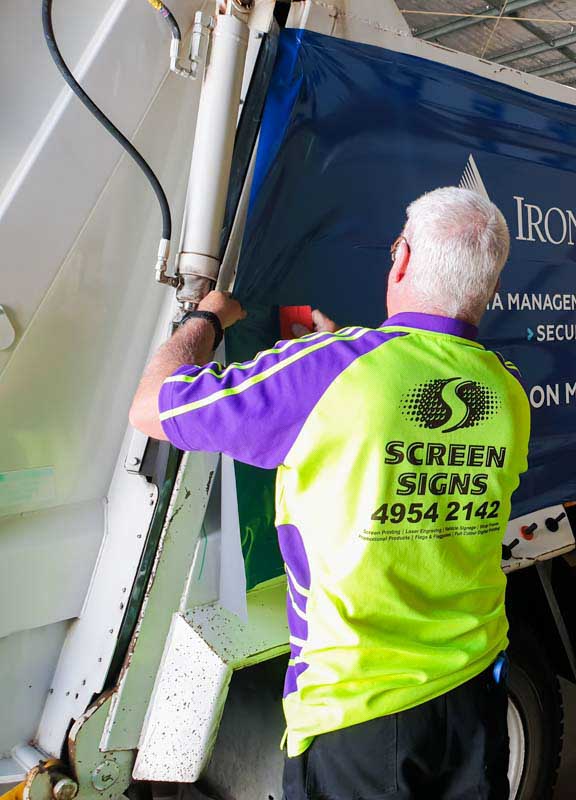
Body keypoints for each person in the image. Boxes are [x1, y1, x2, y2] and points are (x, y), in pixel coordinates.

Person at [129, 187, 530, 800]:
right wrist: (348, 359)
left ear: (401, 259)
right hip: (475, 692)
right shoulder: (506, 391)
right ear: (490, 286)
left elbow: (153, 406)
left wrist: (206, 318)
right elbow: (410, 424)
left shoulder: (329, 371)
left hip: (359, 713)